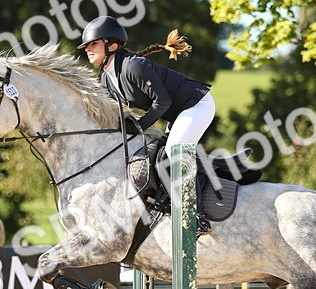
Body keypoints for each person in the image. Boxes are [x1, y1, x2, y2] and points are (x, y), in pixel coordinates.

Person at [78, 15, 216, 233]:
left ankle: (195, 214)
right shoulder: (107, 78)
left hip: (196, 106)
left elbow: (163, 101)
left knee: (174, 150)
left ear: (112, 45)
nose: (87, 49)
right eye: (86, 45)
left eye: (93, 43)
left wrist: (141, 125)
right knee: (157, 154)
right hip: (178, 115)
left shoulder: (134, 66)